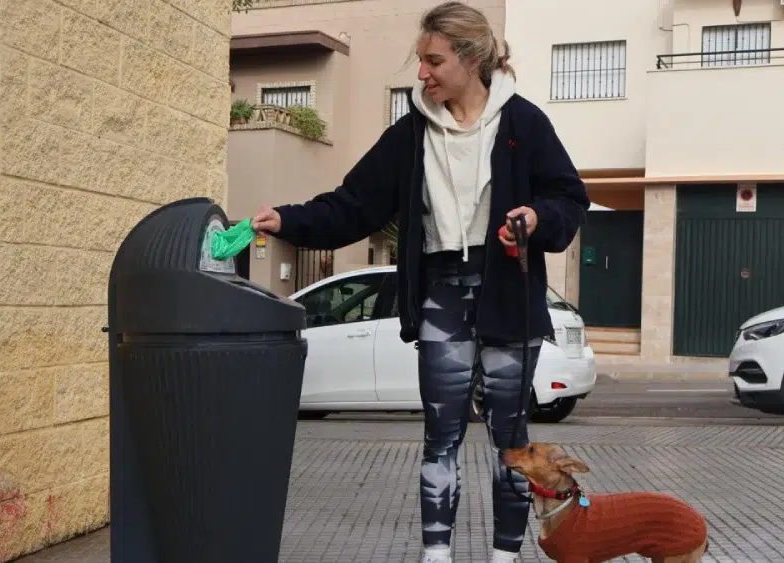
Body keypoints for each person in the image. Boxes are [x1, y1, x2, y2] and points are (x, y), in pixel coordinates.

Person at [251, 3, 590, 561]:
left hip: (510, 295)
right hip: (442, 295)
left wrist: (535, 219)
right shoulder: (410, 134)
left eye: (434, 60)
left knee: (512, 441)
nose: (422, 73)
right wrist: (288, 219)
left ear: (472, 58)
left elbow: (569, 200)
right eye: (422, 61)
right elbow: (352, 205)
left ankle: (506, 554)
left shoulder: (525, 124)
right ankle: (437, 555)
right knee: (441, 438)